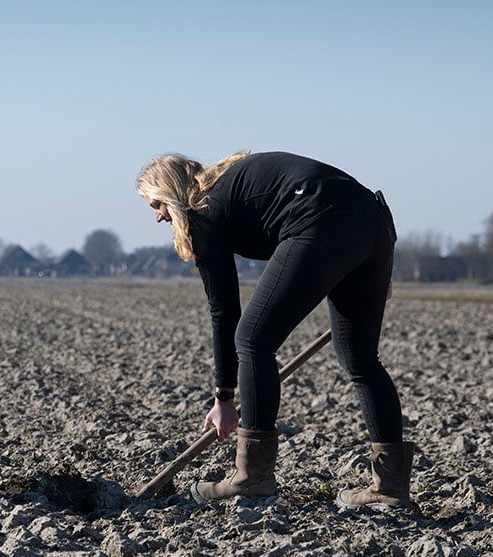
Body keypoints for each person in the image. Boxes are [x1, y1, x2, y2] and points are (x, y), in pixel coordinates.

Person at [137, 151, 412, 510]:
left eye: (156, 204)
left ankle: (252, 478)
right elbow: (343, 201)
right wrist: (372, 266)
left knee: (252, 340)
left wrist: (224, 399)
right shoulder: (231, 188)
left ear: (172, 192)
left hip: (321, 220)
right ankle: (390, 488)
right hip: (373, 223)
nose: (157, 216)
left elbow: (224, 310)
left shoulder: (202, 211)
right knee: (360, 358)